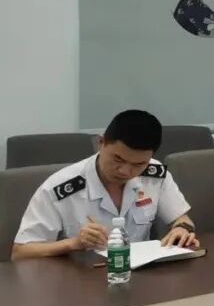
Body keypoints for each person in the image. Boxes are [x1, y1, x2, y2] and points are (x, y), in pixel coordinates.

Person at [12, 110, 199, 260]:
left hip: (139, 277)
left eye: (138, 164)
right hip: (79, 281)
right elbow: (20, 252)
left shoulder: (154, 175)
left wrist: (182, 229)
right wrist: (74, 243)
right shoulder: (60, 188)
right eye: (118, 159)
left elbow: (182, 219)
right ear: (101, 143)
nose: (125, 171)